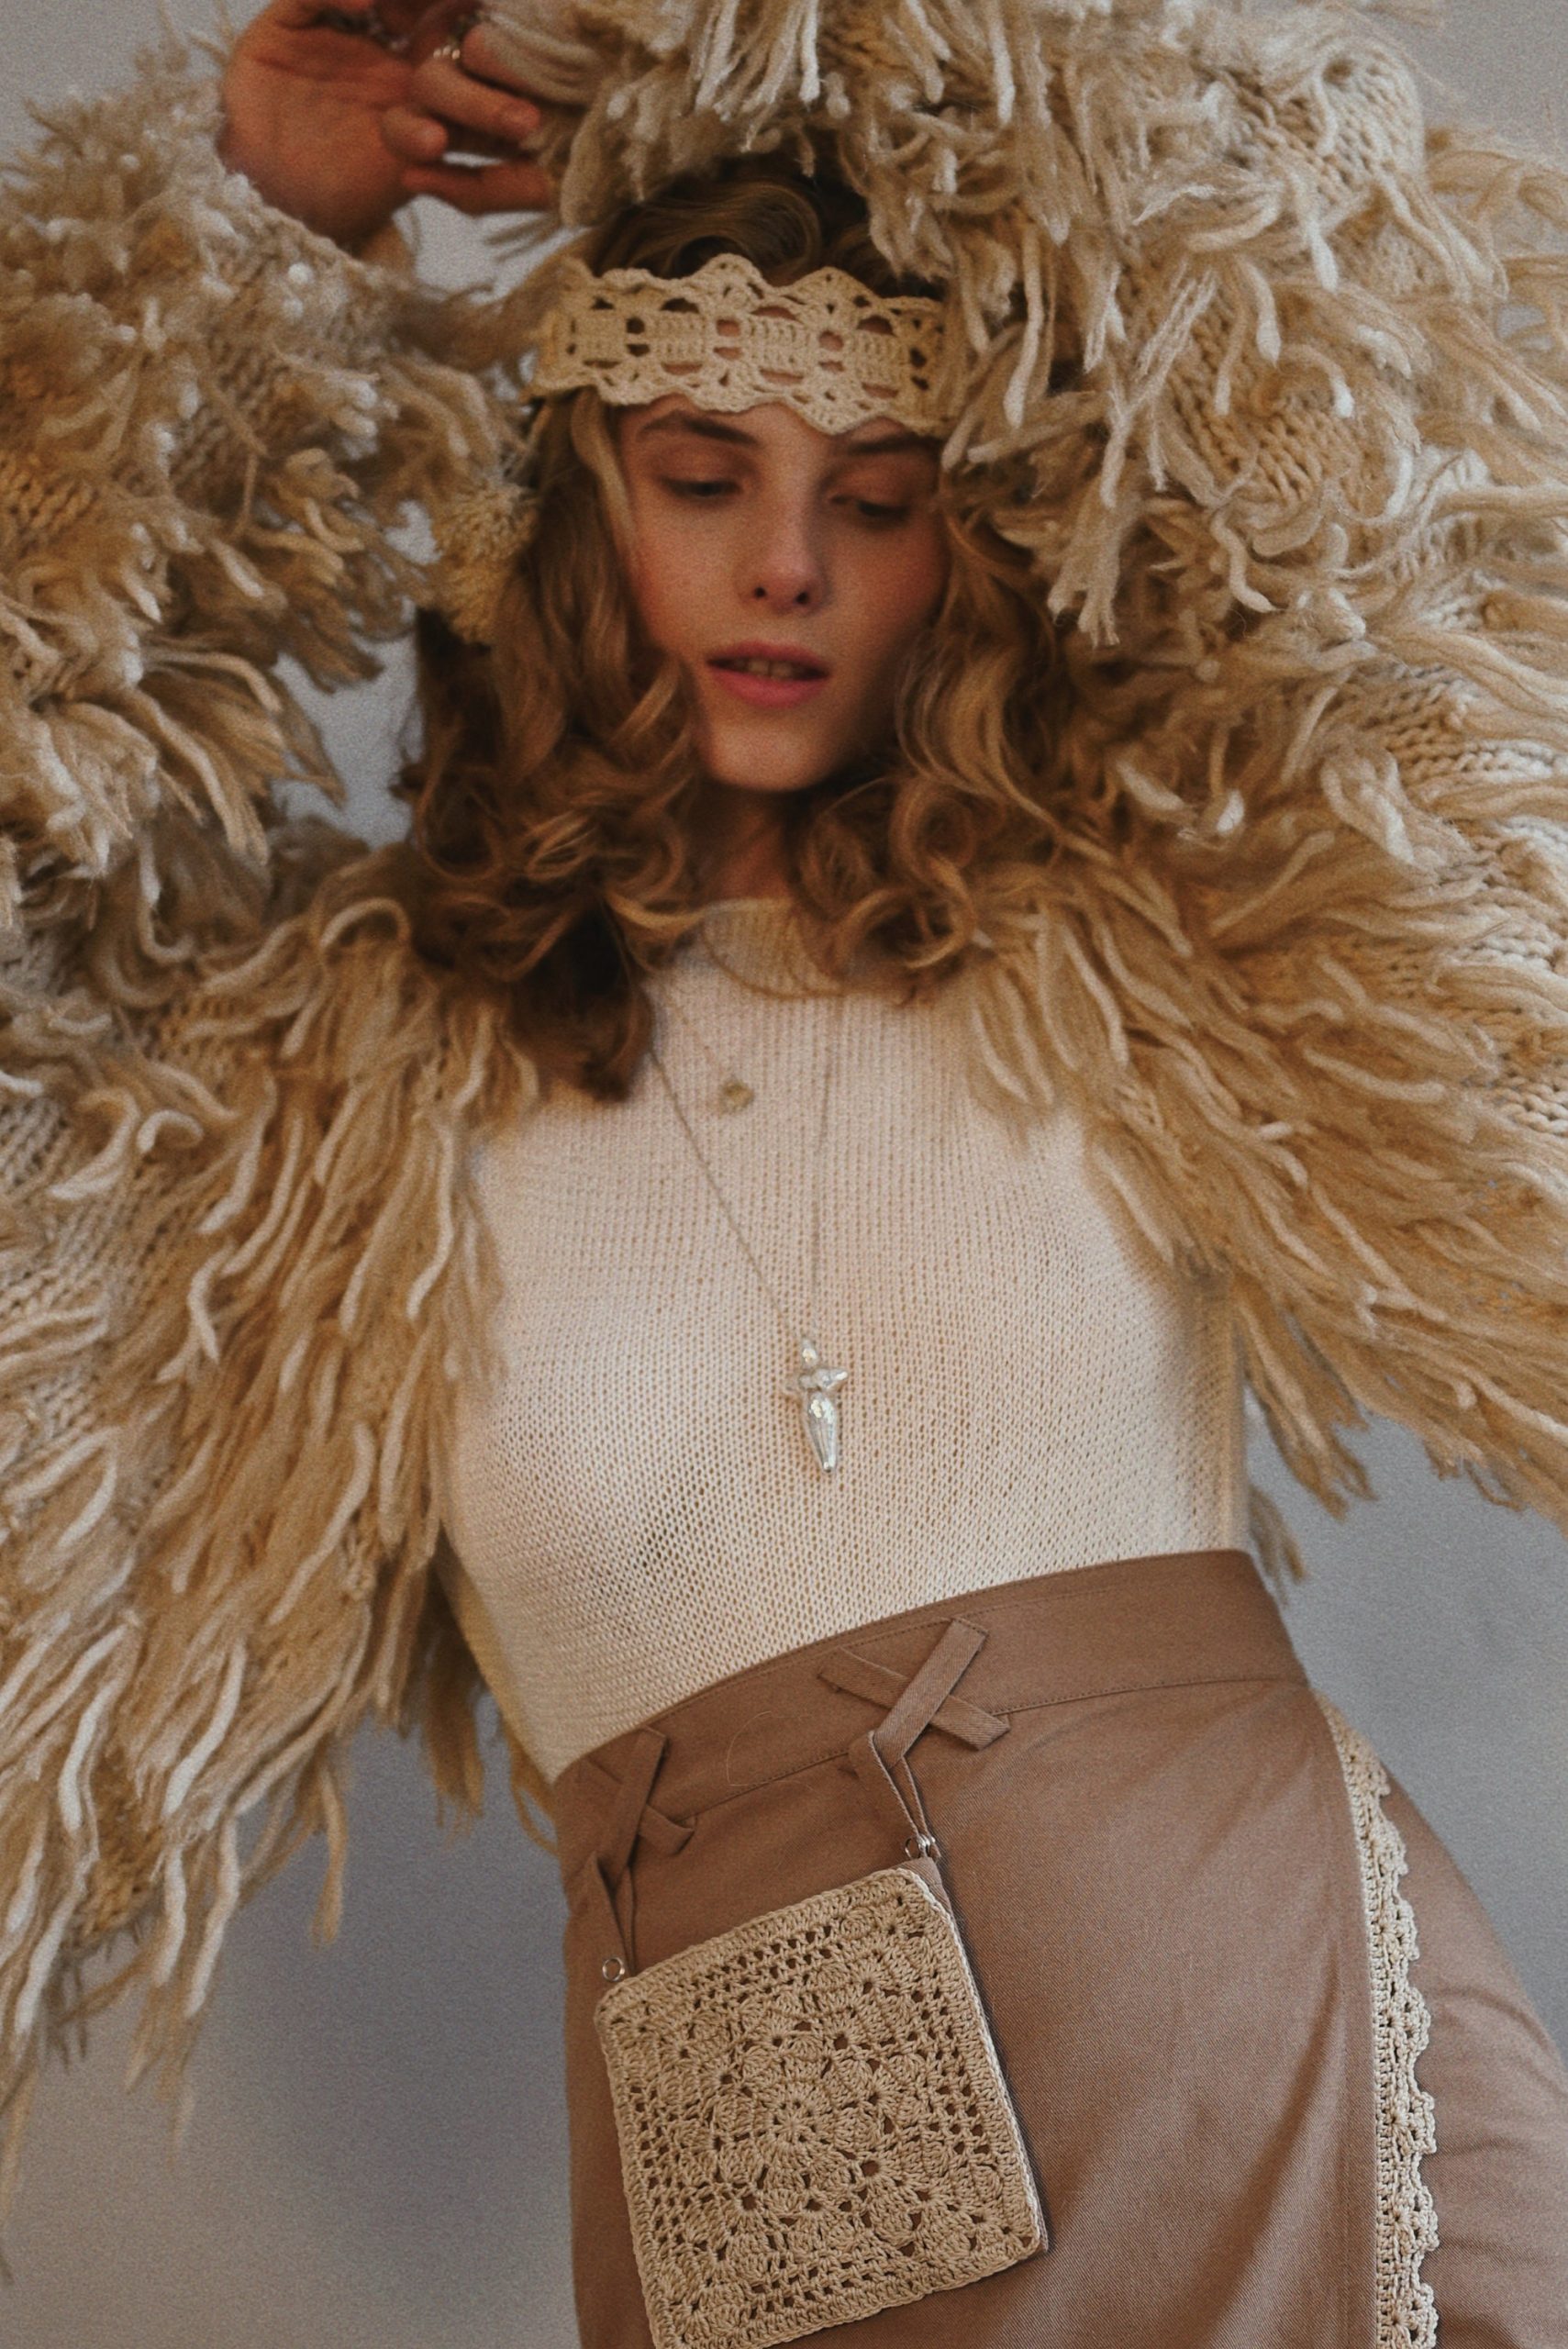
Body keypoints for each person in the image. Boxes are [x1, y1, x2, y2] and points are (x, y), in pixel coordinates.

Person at [3, 0, 1568, 2339]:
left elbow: (1352, 424)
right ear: (581, 503)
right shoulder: (328, 1100)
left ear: (965, 536)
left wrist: (801, 61)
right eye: (703, 471)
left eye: (877, 493)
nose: (789, 567)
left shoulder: (1163, 906)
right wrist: (245, 231)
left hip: (1306, 2061)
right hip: (774, 2166)